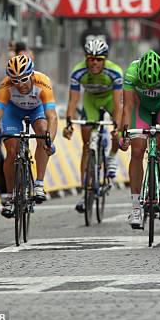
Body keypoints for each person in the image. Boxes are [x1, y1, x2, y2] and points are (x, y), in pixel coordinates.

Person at [120, 49, 160, 229]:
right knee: (138, 150)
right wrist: (124, 134)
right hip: (142, 109)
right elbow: (128, 106)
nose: (149, 88)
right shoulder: (132, 71)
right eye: (145, 85)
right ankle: (136, 207)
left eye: (153, 84)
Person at [0, 55, 58, 217]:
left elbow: (52, 117)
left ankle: (39, 183)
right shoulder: (5, 85)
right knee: (12, 151)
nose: (19, 84)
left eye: (24, 79)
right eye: (15, 80)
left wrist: (49, 140)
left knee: (42, 130)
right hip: (13, 112)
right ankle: (11, 196)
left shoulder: (43, 82)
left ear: (32, 74)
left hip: (36, 110)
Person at [64, 39, 123, 213]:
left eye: (99, 59)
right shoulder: (78, 72)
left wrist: (118, 126)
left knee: (118, 131)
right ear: (86, 59)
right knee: (87, 143)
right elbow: (73, 101)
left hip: (110, 100)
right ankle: (85, 190)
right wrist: (69, 123)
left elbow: (119, 104)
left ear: (105, 59)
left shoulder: (115, 72)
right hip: (91, 101)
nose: (94, 62)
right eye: (91, 58)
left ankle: (112, 156)